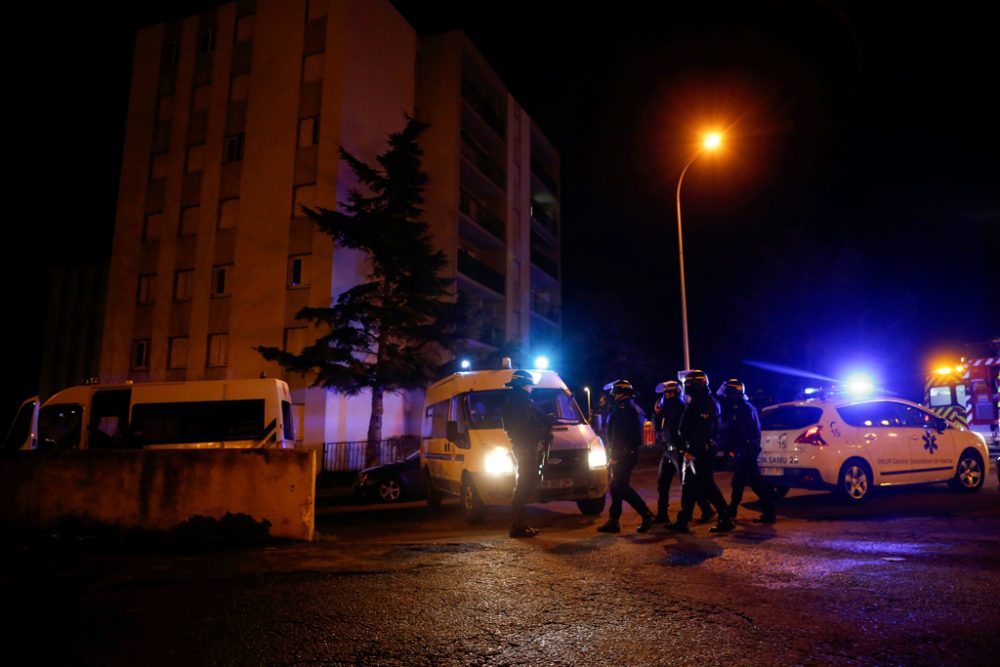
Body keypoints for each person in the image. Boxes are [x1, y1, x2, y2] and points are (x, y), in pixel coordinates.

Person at [668, 370, 735, 534]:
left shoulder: (704, 402)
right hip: (695, 450)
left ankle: (726, 517)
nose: (686, 387)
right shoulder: (698, 400)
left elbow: (702, 430)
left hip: (699, 452)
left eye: (688, 383)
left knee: (707, 486)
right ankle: (683, 520)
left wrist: (692, 450)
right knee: (689, 486)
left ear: (696, 384)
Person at [652, 380, 715, 525]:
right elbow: (658, 430)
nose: (666, 396)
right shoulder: (666, 409)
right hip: (667, 451)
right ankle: (662, 514)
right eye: (665, 393)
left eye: (669, 393)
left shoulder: (680, 407)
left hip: (679, 450)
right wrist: (656, 414)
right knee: (662, 483)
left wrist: (686, 448)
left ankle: (705, 509)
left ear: (676, 392)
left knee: (687, 484)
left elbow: (683, 429)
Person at [597, 379, 655, 534]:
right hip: (626, 453)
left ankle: (646, 514)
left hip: (622, 454)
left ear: (618, 393)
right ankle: (613, 521)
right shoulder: (627, 406)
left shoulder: (623, 408)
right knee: (615, 487)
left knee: (621, 487)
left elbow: (619, 435)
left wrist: (614, 454)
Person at [717, 378, 776, 524]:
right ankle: (733, 510)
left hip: (747, 450)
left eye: (728, 393)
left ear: (734, 393)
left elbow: (738, 431)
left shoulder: (744, 409)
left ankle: (769, 513)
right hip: (745, 450)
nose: (725, 396)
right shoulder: (741, 407)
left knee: (755, 483)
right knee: (738, 483)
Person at [501, 369, 551, 538]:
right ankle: (518, 526)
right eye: (529, 384)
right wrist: (542, 433)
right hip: (525, 446)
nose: (531, 387)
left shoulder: (519, 402)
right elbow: (525, 428)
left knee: (526, 483)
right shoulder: (519, 403)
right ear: (523, 385)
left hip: (525, 446)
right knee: (525, 484)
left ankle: (519, 524)